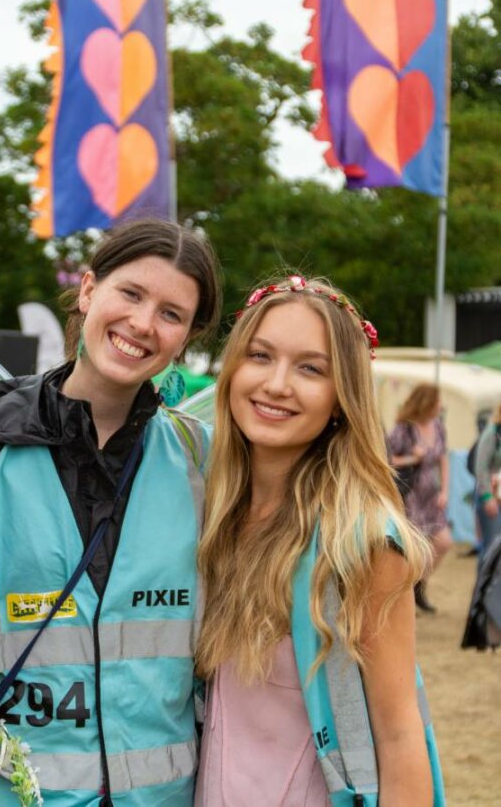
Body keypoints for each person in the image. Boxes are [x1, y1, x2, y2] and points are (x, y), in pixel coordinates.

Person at [0, 219, 221, 806]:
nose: (143, 324)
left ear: (186, 337)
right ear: (89, 290)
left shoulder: (204, 459)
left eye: (172, 314)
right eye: (131, 294)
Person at [195, 275, 444, 806]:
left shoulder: (363, 542)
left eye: (311, 368)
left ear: (341, 398)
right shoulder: (207, 511)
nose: (277, 384)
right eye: (260, 356)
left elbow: (400, 735)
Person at [387, 383, 454, 613]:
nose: (440, 406)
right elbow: (387, 459)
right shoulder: (403, 428)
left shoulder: (438, 427)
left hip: (432, 496)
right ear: (426, 402)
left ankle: (418, 584)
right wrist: (412, 458)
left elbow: (443, 459)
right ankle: (405, 592)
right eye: (437, 402)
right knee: (413, 548)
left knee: (444, 541)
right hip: (410, 495)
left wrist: (445, 490)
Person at [473, 400, 501, 561]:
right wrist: (487, 497)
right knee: (491, 547)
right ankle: (484, 586)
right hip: (490, 497)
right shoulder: (492, 433)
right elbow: (481, 467)